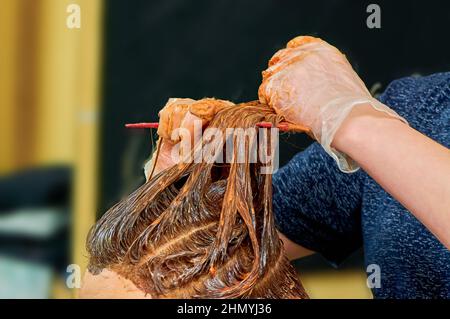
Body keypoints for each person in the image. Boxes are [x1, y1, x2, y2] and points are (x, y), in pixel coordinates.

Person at [150, 36, 450, 298]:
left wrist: (352, 121)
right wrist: (185, 188)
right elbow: (225, 255)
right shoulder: (418, 107)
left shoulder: (373, 122)